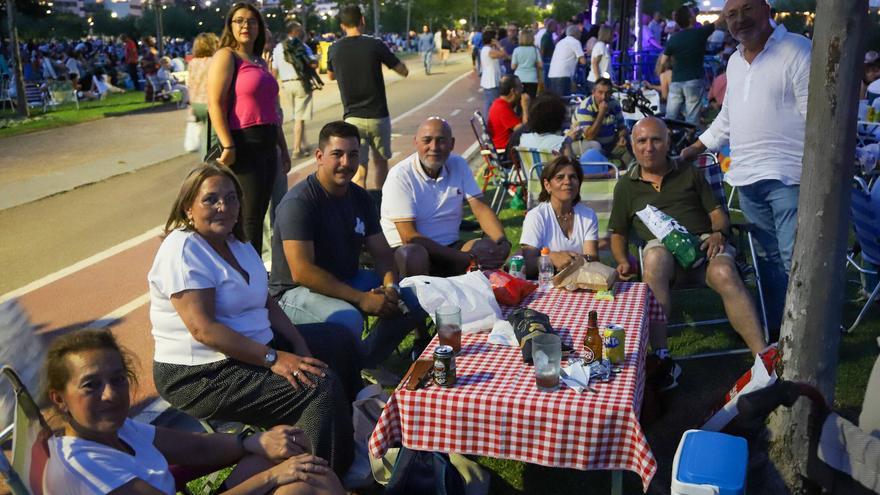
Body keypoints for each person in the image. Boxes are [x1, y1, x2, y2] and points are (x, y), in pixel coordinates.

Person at [149, 163, 357, 476]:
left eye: (232, 198)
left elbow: (266, 302)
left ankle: (351, 430)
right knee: (318, 388)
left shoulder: (238, 243)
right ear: (187, 207)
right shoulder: (183, 250)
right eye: (211, 200)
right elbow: (203, 329)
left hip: (254, 348)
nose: (224, 207)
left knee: (339, 341)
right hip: (201, 373)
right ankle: (327, 477)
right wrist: (275, 358)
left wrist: (299, 344)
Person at [43, 329, 344, 495]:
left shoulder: (116, 429)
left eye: (118, 379)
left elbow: (196, 447)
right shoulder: (83, 467)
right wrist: (272, 479)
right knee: (303, 484)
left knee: (288, 456)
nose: (110, 394)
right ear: (59, 399)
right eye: (90, 385)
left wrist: (253, 443)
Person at [680, 0, 810, 333]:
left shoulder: (797, 49)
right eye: (732, 14)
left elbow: (817, 117)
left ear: (768, 9)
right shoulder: (735, 62)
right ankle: (777, 333)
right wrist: (695, 147)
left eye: (747, 10)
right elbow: (727, 119)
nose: (739, 20)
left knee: (795, 260)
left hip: (789, 175)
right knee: (767, 263)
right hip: (747, 178)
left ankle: (806, 335)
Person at [610, 118, 768, 388]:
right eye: (642, 141)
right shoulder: (626, 186)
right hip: (661, 254)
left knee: (724, 271)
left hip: (704, 243)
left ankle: (764, 358)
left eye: (656, 140)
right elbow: (618, 233)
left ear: (668, 142)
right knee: (655, 258)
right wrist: (623, 261)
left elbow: (717, 213)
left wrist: (719, 233)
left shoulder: (689, 172)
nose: (649, 147)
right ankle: (661, 358)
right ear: (633, 147)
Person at [269, 121, 427, 371]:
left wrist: (391, 287)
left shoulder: (360, 197)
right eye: (337, 154)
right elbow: (302, 271)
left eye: (353, 155)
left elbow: (383, 254)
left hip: (346, 278)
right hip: (294, 293)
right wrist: (362, 299)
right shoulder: (299, 203)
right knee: (349, 319)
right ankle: (352, 371)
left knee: (415, 297)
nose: (346, 163)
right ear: (319, 157)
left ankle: (364, 362)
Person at [208, 2, 291, 255]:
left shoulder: (259, 61)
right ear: (230, 26)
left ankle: (251, 274)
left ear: (260, 28)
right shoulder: (226, 56)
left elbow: (272, 111)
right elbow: (215, 103)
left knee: (261, 212)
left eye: (252, 21)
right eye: (240, 21)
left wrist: (283, 149)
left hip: (267, 143)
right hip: (244, 143)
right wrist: (228, 144)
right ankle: (248, 278)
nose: (246, 26)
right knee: (248, 218)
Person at [381, 117, 512, 277]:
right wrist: (464, 258)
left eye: (441, 141)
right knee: (412, 254)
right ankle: (413, 299)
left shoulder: (458, 163)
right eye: (427, 141)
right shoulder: (400, 175)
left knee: (488, 247)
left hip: (452, 247)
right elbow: (409, 237)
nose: (434, 147)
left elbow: (481, 209)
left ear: (452, 144)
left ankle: (475, 295)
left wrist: (501, 242)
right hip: (414, 251)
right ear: (416, 142)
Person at [328, 6, 408, 196]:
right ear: (362, 20)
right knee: (381, 162)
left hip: (352, 117)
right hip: (378, 115)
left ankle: (359, 213)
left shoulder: (334, 48)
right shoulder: (375, 44)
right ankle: (381, 205)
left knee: (357, 168)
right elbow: (402, 70)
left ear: (342, 25)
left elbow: (330, 75)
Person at [519, 155, 599, 278]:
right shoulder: (536, 216)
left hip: (579, 282)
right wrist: (550, 258)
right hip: (545, 286)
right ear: (547, 185)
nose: (567, 182)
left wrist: (570, 259)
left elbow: (592, 259)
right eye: (560, 177)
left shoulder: (588, 215)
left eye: (573, 177)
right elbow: (528, 264)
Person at [661, 6, 716, 125]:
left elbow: (663, 61)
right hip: (694, 79)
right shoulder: (700, 33)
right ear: (690, 18)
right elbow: (719, 21)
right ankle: (689, 140)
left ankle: (668, 138)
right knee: (691, 117)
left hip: (676, 80)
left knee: (670, 115)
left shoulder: (674, 39)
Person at [273, 20, 319, 158]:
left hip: (286, 85)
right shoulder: (303, 46)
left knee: (298, 115)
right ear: (296, 32)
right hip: (301, 84)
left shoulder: (278, 48)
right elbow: (313, 64)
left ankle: (304, 145)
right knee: (300, 117)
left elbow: (274, 71)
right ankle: (297, 148)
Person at [570, 78, 631, 163]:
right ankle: (603, 173)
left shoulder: (614, 103)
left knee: (630, 142)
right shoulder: (585, 108)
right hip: (585, 143)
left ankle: (627, 173)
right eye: (600, 92)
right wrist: (601, 114)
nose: (603, 97)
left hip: (610, 143)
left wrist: (622, 136)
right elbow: (589, 136)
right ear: (593, 92)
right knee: (595, 145)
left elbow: (622, 127)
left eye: (607, 93)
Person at [186, 33, 218, 157]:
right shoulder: (214, 62)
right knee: (213, 137)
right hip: (209, 102)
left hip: (196, 103)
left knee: (205, 134)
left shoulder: (193, 63)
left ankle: (206, 159)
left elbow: (191, 83)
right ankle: (209, 163)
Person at [518, 93, 577, 157]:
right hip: (555, 166)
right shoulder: (562, 143)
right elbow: (572, 164)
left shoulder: (524, 138)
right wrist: (568, 140)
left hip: (531, 167)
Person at [487, 75, 530, 153]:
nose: (522, 90)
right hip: (505, 150)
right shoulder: (502, 108)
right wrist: (525, 107)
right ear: (513, 91)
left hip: (508, 145)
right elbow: (525, 131)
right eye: (520, 87)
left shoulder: (500, 103)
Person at [547, 24, 586, 98]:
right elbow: (583, 61)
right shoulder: (575, 42)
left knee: (556, 101)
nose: (581, 34)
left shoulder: (560, 42)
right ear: (576, 33)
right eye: (580, 32)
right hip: (564, 76)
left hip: (552, 74)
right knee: (564, 101)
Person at [479, 29, 508, 118]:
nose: (497, 39)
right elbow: (504, 54)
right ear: (492, 40)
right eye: (495, 38)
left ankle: (487, 124)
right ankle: (490, 123)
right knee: (494, 104)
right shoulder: (489, 50)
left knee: (489, 104)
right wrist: (499, 45)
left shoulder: (486, 49)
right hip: (491, 81)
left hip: (488, 80)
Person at [511, 29, 542, 98]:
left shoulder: (516, 50)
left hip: (519, 78)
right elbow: (540, 65)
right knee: (531, 101)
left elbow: (513, 67)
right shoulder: (535, 50)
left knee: (519, 102)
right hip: (532, 78)